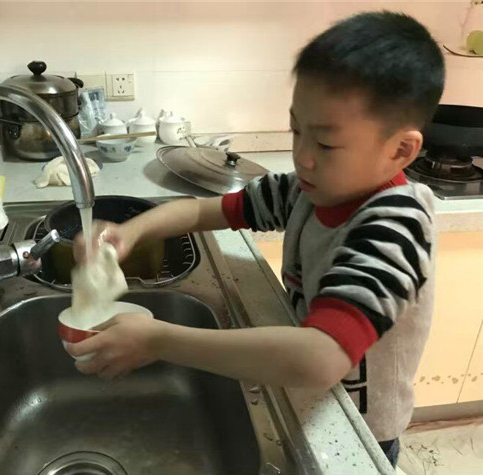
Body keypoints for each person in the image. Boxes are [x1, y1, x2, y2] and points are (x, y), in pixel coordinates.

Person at [69, 11, 445, 467]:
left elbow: (320, 358)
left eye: (326, 144)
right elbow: (204, 210)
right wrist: (131, 231)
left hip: (358, 430)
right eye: (296, 130)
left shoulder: (396, 226)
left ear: (400, 150)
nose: (303, 156)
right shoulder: (308, 190)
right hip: (309, 398)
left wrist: (158, 341)